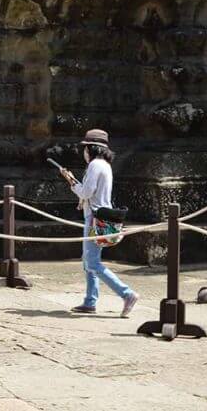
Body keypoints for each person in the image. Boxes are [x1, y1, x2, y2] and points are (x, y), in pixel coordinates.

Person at [57, 129, 139, 317]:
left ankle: (127, 294)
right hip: (100, 216)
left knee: (92, 263)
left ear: (92, 149)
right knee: (89, 261)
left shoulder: (95, 165)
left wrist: (71, 182)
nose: (83, 152)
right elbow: (91, 193)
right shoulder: (104, 165)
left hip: (94, 219)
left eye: (85, 148)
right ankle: (90, 301)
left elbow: (86, 193)